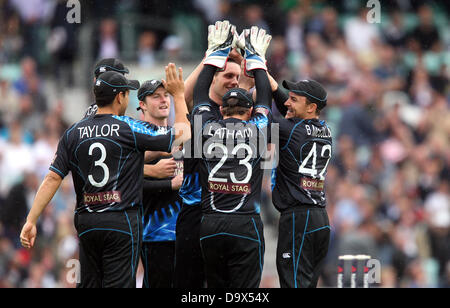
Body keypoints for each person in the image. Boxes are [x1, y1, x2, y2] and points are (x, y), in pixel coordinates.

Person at [19, 64, 190, 288]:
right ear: (120, 97)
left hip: (88, 223)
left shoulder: (73, 132)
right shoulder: (128, 127)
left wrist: (31, 219)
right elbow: (182, 136)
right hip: (121, 222)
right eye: (127, 94)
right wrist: (178, 95)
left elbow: (52, 178)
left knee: (90, 284)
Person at [194, 24, 272, 287]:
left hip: (210, 224)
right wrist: (256, 59)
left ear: (221, 109)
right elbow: (266, 97)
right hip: (245, 224)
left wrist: (214, 54)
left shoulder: (205, 126)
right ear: (249, 111)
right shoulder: (258, 129)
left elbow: (198, 94)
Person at [174, 20, 250, 288]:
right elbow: (181, 94)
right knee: (190, 286)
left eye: (237, 78)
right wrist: (212, 55)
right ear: (213, 78)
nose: (233, 82)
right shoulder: (200, 107)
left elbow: (263, 92)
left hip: (234, 213)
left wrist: (250, 56)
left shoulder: (244, 112)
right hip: (194, 210)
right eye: (227, 76)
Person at [271, 78, 332, 288]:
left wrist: (257, 66)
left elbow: (260, 117)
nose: (287, 103)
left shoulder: (290, 130)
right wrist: (265, 73)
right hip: (320, 219)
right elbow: (287, 109)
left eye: (294, 100)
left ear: (312, 107)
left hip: (299, 219)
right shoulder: (325, 129)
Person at [136, 79, 184, 288]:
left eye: (166, 95)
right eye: (156, 96)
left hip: (186, 233)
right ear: (143, 105)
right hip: (155, 234)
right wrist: (167, 183)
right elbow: (123, 184)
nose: (163, 100)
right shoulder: (135, 138)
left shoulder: (181, 136)